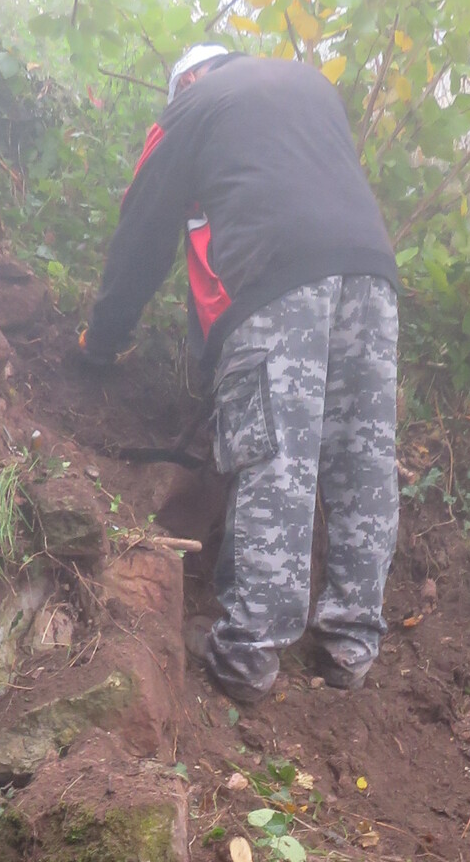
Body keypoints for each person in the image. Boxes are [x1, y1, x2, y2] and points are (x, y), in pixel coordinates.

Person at [76, 43, 400, 704]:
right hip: (373, 274)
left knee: (275, 449)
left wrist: (101, 341)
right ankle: (350, 642)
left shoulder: (192, 107)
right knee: (361, 454)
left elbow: (143, 236)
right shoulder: (310, 86)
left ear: (187, 82)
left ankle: (248, 653)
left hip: (277, 276)